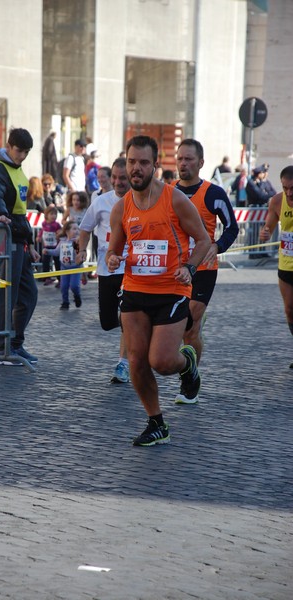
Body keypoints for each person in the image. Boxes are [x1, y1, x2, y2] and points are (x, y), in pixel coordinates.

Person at [106, 135, 211, 447]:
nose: (136, 169)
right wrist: (112, 258)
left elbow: (203, 240)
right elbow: (114, 249)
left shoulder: (175, 199)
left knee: (162, 361)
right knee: (137, 361)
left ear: (155, 166)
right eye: (131, 162)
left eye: (143, 163)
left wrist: (190, 267)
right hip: (135, 290)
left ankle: (188, 364)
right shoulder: (121, 208)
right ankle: (156, 423)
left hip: (171, 290)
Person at [172, 139, 238, 403]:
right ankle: (191, 370)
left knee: (189, 325)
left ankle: (189, 382)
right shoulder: (168, 192)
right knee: (186, 329)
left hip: (204, 268)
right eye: (180, 159)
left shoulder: (214, 194)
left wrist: (217, 246)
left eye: (189, 159)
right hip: (176, 269)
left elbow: (231, 227)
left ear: (200, 163)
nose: (183, 164)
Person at [0, 127, 40, 365]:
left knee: (28, 295)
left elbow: (21, 213)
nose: (22, 156)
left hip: (19, 238)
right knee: (8, 294)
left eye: (26, 152)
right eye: (19, 151)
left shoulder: (17, 170)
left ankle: (15, 344)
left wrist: (31, 243)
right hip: (7, 238)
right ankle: (2, 347)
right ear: (9, 145)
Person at [77, 157, 130, 383]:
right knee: (108, 322)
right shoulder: (100, 202)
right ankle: (138, 326)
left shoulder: (141, 200)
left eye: (123, 178)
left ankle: (123, 363)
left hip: (132, 269)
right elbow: (85, 228)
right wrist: (81, 251)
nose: (118, 182)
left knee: (129, 317)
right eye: (115, 178)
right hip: (107, 268)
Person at [259, 165, 293, 368]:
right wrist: (265, 233)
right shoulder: (277, 201)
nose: (289, 192)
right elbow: (268, 227)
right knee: (290, 310)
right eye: (285, 187)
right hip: (286, 264)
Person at [44, 221, 82, 310]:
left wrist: (78, 245)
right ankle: (65, 302)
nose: (77, 231)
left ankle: (77, 296)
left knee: (74, 286)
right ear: (67, 231)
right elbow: (57, 252)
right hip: (64, 268)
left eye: (78, 229)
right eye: (74, 229)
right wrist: (48, 251)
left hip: (75, 268)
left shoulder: (76, 242)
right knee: (63, 286)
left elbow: (79, 254)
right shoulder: (62, 242)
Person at [37, 205, 62, 286]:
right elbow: (42, 231)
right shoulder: (44, 223)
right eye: (51, 214)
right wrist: (39, 236)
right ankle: (47, 278)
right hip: (47, 247)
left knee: (57, 263)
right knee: (46, 262)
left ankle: (60, 279)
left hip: (55, 247)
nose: (53, 216)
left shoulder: (57, 224)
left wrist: (59, 234)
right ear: (46, 215)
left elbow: (60, 232)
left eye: (55, 214)